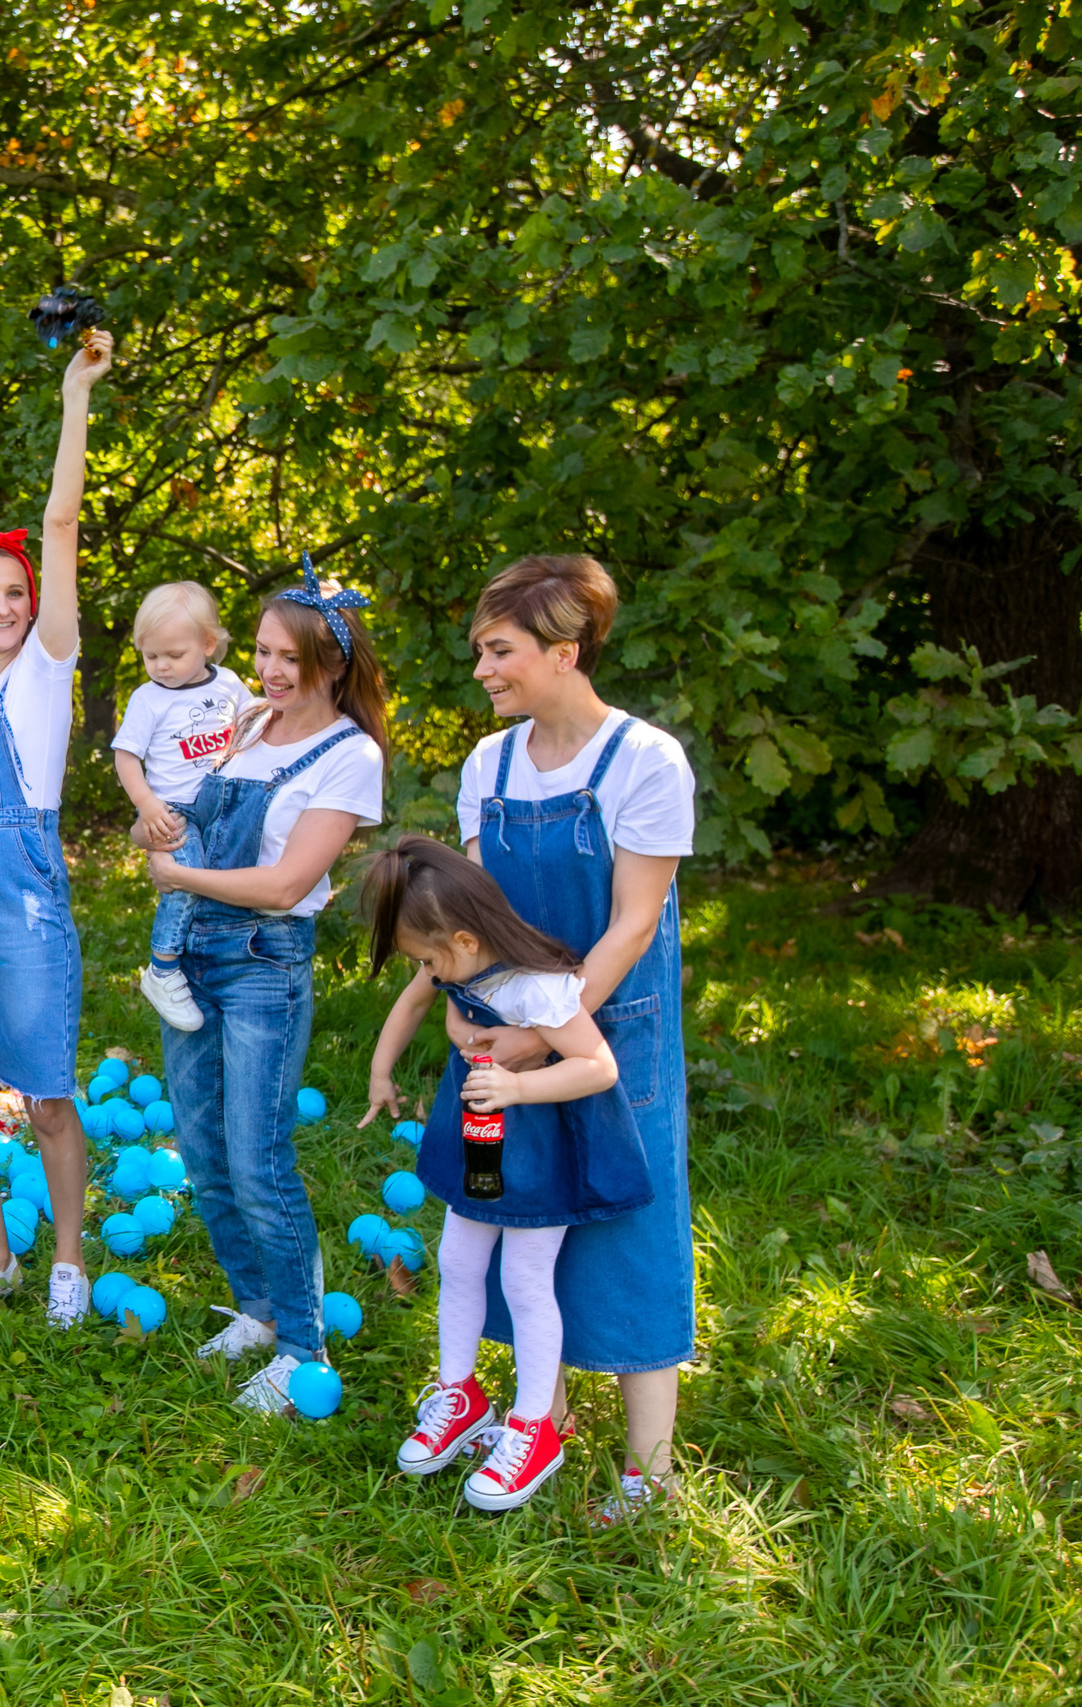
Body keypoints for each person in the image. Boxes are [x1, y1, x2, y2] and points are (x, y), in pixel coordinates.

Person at [381, 552, 698, 1524]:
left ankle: (648, 1472)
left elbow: (631, 924)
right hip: (501, 1034)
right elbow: (476, 914)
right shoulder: (490, 765)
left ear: (564, 651)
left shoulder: (644, 762)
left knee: (628, 1229)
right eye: (480, 650)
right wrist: (464, 1005)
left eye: (498, 650)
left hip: (607, 1028)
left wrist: (548, 1037)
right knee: (511, 1221)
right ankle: (534, 1416)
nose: (481, 669)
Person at [138, 562, 388, 1412]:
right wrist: (157, 829)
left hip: (262, 962)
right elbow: (184, 825)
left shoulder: (348, 756)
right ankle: (256, 1306)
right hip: (193, 957)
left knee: (259, 1159)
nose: (272, 671)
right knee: (203, 1152)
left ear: (333, 664)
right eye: (262, 652)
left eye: (291, 658)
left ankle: (303, 1345)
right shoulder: (244, 725)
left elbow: (286, 884)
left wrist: (179, 876)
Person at [358, 837, 654, 1511]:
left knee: (524, 1278)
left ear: (464, 938)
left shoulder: (536, 984)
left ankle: (534, 1427)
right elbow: (411, 1003)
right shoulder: (456, 965)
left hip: (540, 1145)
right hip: (482, 1137)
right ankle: (459, 1392)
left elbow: (598, 1065)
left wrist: (521, 1090)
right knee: (458, 1258)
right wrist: (381, 1070)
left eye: (429, 957)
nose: (426, 970)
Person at [0, 326, 114, 1327]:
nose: (2, 606)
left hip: (21, 896)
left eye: (15, 593)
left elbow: (61, 521)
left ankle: (69, 1264)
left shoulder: (44, 676)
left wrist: (74, 398)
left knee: (43, 1093)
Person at [111, 580, 253, 1031]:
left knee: (230, 873)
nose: (162, 666)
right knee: (184, 881)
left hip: (224, 802)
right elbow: (126, 756)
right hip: (172, 809)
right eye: (151, 657)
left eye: (174, 655)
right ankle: (163, 967)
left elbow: (257, 722)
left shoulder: (230, 684)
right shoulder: (147, 699)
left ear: (208, 644)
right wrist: (146, 804)